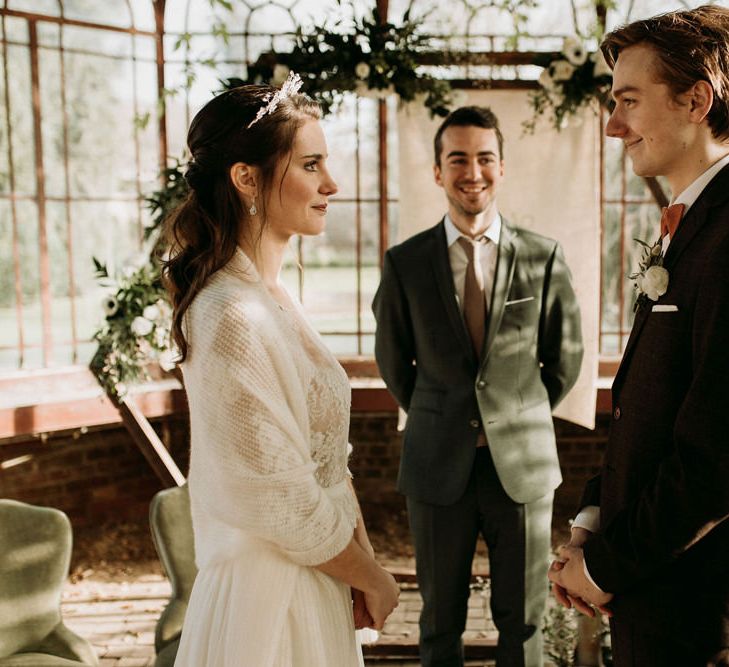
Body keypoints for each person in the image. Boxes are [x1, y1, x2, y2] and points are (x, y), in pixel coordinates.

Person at [162, 77, 399, 667]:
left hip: (315, 574)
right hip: (267, 598)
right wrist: (371, 573)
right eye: (311, 164)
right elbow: (274, 488)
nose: (331, 184)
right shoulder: (227, 312)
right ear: (246, 177)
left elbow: (326, 464)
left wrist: (358, 564)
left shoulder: (272, 297)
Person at [548, 6, 729, 666]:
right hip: (654, 591)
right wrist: (592, 521)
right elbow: (649, 404)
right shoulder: (690, 224)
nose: (611, 125)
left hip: (699, 608)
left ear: (696, 100)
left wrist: (603, 568)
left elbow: (715, 456)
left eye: (628, 101)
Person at [372, 105, 583, 667]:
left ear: (502, 167)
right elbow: (394, 362)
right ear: (438, 172)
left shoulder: (543, 256)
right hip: (437, 465)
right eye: (458, 158)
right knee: (440, 618)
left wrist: (512, 415)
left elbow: (565, 359)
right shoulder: (405, 263)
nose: (473, 171)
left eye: (485, 158)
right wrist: (443, 415)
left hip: (523, 467)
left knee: (526, 619)